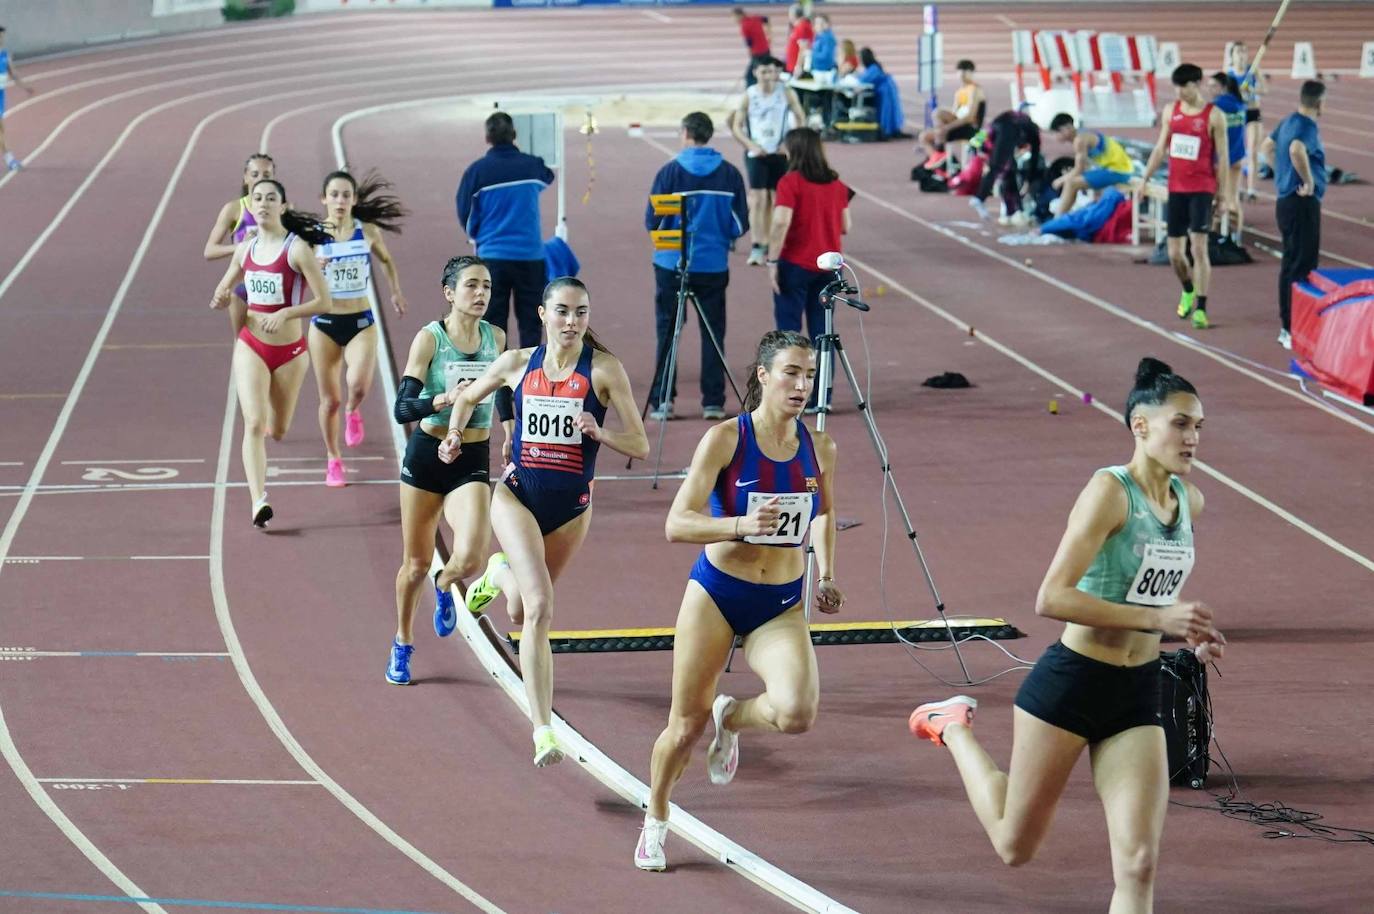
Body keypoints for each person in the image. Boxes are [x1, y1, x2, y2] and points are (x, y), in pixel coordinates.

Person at [909, 356, 1225, 914]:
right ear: (1141, 425)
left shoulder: (1189, 501)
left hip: (1138, 693)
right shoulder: (1110, 491)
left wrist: (1190, 627)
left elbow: (1149, 593)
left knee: (1138, 863)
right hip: (1072, 685)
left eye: (1199, 425)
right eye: (1181, 423)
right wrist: (1158, 620)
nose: (1193, 436)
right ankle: (951, 726)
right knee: (1015, 846)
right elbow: (1051, 597)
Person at [636, 330, 842, 871]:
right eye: (792, 373)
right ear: (763, 376)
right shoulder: (727, 438)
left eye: (810, 374)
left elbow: (821, 513)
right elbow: (676, 523)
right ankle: (656, 818)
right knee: (684, 724)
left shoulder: (821, 447)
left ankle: (733, 718)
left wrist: (827, 573)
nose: (802, 385)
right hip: (719, 594)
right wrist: (738, 525)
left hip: (781, 601)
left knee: (797, 712)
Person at [441, 278, 649, 766]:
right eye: (562, 312)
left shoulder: (603, 370)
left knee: (518, 609)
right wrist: (454, 434)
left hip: (572, 510)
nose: (572, 322)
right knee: (539, 609)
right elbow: (469, 397)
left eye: (581, 312)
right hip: (516, 497)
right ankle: (542, 730)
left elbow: (639, 444)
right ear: (542, 314)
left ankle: (497, 572)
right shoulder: (517, 363)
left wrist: (600, 432)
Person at [385, 256, 506, 686]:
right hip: (426, 456)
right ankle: (402, 642)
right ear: (449, 293)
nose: (481, 294)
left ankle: (446, 583)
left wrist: (507, 430)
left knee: (471, 556)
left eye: (487, 287)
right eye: (471, 285)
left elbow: (503, 389)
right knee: (414, 564)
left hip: (471, 458)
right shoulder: (429, 340)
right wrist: (440, 401)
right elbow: (402, 407)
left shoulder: (496, 337)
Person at [210, 179, 332, 527]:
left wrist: (286, 313)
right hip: (252, 345)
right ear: (250, 207)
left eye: (270, 199)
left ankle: (271, 431)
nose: (262, 204)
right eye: (257, 198)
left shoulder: (297, 250)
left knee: (277, 429)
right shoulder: (244, 250)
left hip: (291, 352)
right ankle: (258, 500)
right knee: (252, 422)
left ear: (283, 206)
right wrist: (220, 298)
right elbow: (224, 289)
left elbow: (324, 301)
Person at [645, 111, 749, 422]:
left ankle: (663, 401)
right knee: (713, 333)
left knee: (667, 330)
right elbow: (740, 223)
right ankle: (713, 402)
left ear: (685, 133)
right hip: (712, 264)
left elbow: (653, 220)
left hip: (670, 264)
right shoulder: (730, 174)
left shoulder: (669, 172)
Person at [311, 169, 409, 487]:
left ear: (354, 200)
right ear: (323, 199)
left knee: (357, 386)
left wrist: (395, 290)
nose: (340, 201)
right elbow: (294, 270)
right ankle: (333, 460)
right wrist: (314, 265)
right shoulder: (311, 234)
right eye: (334, 195)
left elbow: (387, 261)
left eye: (346, 195)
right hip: (323, 323)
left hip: (359, 321)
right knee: (329, 401)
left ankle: (355, 410)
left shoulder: (365, 230)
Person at [1141, 64, 1235, 331]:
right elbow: (1161, 148)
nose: (1181, 91)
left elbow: (1224, 158)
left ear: (1197, 84)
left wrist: (1225, 195)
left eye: (1186, 86)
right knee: (1174, 255)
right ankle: (1188, 288)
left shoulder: (1214, 116)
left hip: (1202, 189)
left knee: (1198, 249)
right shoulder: (1172, 111)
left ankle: (1202, 309)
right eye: (1177, 87)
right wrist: (1145, 178)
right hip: (1176, 189)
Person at [456, 112, 555, 349]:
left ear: (487, 138)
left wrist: (477, 236)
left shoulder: (477, 172)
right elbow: (548, 176)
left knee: (493, 322)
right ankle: (530, 375)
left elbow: (465, 213)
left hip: (493, 257)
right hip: (530, 256)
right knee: (531, 320)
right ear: (514, 135)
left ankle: (499, 380)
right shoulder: (532, 166)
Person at [766, 127, 851, 386]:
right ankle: (822, 393)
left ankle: (790, 390)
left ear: (793, 151)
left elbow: (781, 221)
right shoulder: (837, 184)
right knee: (823, 332)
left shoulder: (790, 182)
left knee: (789, 333)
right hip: (828, 267)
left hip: (795, 262)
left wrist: (771, 260)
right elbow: (847, 225)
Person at [1261, 80, 1326, 352]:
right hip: (1302, 203)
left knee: (1290, 264)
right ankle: (1293, 328)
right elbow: (1296, 149)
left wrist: (1281, 176)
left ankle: (1287, 326)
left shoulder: (1287, 121)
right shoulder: (1306, 127)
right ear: (1320, 103)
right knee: (1302, 266)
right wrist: (1307, 181)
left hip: (1285, 201)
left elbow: (1266, 147)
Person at [727, 56, 804, 267]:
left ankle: (773, 243)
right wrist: (750, 145)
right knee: (758, 198)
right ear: (755, 73)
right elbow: (736, 125)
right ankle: (757, 245)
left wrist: (789, 145)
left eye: (771, 72)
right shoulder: (749, 96)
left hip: (779, 153)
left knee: (776, 198)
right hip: (757, 153)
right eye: (764, 72)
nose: (768, 77)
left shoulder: (786, 92)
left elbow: (801, 118)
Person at [204, 154, 277, 335]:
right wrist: (241, 246)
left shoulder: (283, 210)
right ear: (245, 178)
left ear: (273, 179)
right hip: (244, 287)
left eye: (266, 175)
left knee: (274, 342)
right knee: (243, 346)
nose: (260, 179)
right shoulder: (235, 209)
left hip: (275, 285)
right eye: (255, 174)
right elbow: (209, 251)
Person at [1047, 114, 1135, 217]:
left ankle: (1057, 221)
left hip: (1118, 171)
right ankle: (1061, 216)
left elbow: (1079, 169)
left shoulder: (1079, 140)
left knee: (1071, 183)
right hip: (1118, 169)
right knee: (1072, 182)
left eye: (1057, 132)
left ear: (1067, 128)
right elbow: (1085, 168)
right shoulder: (1083, 134)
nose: (1055, 137)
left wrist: (1061, 180)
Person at [970, 107, 1041, 227]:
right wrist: (1029, 180)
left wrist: (976, 147)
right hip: (1004, 129)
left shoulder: (1021, 123)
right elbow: (1034, 159)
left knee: (1009, 170)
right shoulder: (1033, 135)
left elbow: (987, 131)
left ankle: (1015, 210)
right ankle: (979, 198)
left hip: (992, 129)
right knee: (998, 166)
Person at [918, 60, 985, 170]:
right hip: (955, 126)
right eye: (960, 72)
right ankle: (940, 161)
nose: (962, 75)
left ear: (971, 73)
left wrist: (947, 127)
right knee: (924, 137)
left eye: (965, 72)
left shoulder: (975, 90)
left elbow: (969, 116)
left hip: (969, 128)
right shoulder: (959, 92)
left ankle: (940, 150)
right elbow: (954, 113)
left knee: (938, 113)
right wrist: (944, 127)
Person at [1206, 72, 1247, 239]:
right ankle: (1236, 236)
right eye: (1208, 86)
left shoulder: (1216, 107)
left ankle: (1215, 234)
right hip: (1238, 158)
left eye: (1213, 86)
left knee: (1217, 199)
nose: (1210, 89)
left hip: (1223, 161)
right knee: (1233, 199)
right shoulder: (1240, 104)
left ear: (1223, 87)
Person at [1227, 42, 1268, 200]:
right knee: (1235, 153)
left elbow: (1265, 90)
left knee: (1252, 151)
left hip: (1252, 112)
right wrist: (1238, 93)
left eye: (1244, 51)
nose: (1241, 55)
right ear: (1232, 55)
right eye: (1238, 52)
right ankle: (1235, 189)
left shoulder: (1253, 70)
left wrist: (1251, 90)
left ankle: (1251, 190)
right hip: (1236, 115)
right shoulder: (1229, 74)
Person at [0, 25, 35, 171]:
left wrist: (25, 86)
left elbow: (13, 73)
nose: (2, 39)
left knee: (1, 129)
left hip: (0, 95)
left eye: (3, 36)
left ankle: (10, 160)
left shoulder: (5, 55)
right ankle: (10, 160)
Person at [855, 47, 907, 140]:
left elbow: (863, 80)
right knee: (888, 111)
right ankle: (889, 130)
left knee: (886, 112)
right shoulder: (873, 67)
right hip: (886, 89)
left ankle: (886, 131)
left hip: (885, 91)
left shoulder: (873, 68)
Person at [732, 7, 771, 88]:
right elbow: (766, 19)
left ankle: (751, 93)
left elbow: (749, 43)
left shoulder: (744, 26)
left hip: (758, 54)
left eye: (734, 17)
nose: (733, 19)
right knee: (761, 72)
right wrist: (770, 33)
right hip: (766, 50)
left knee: (750, 76)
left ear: (739, 15)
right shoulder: (755, 18)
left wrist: (751, 54)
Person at [782, 4, 813, 76]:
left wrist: (798, 66)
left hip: (797, 68)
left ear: (793, 14)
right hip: (793, 65)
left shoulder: (802, 26)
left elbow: (803, 48)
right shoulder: (798, 26)